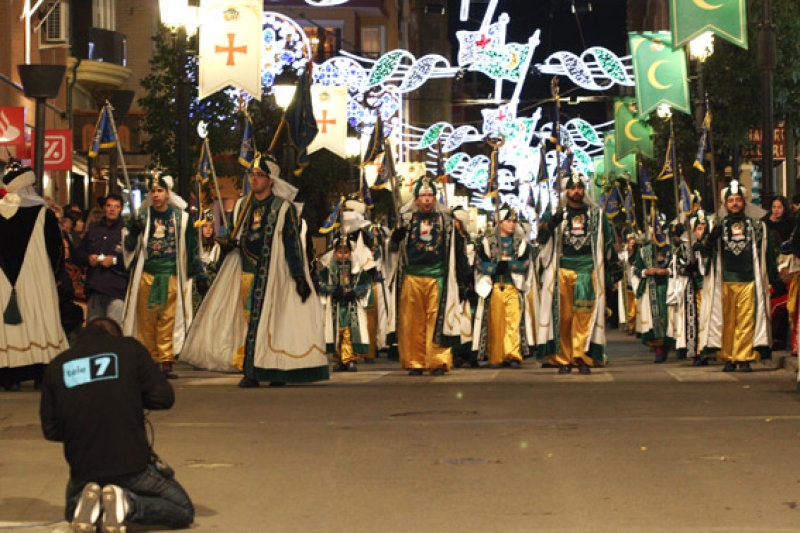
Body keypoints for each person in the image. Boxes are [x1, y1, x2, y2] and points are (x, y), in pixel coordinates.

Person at [181, 154, 328, 387]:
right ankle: (252, 370)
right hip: (247, 269)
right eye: (252, 175)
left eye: (260, 175)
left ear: (271, 180)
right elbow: (237, 236)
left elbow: (291, 243)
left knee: (271, 322)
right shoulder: (242, 204)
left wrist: (299, 275)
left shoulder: (283, 208)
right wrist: (229, 244)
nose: (254, 179)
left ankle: (273, 368)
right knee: (251, 322)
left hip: (274, 273)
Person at [39, 317, 194, 532]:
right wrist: (130, 395)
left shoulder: (57, 365)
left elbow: (51, 430)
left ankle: (93, 504)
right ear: (115, 335)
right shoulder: (129, 349)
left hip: (84, 470)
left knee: (72, 511)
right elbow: (163, 398)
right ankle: (128, 504)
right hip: (132, 467)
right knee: (183, 509)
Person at [121, 171, 207, 380]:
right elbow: (129, 247)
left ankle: (166, 361)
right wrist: (133, 232)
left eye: (160, 190)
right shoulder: (140, 217)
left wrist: (199, 274)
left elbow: (192, 247)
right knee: (146, 320)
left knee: (169, 319)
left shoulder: (182, 219)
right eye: (153, 191)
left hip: (171, 274)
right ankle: (148, 361)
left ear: (168, 193)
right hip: (148, 274)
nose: (156, 194)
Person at [535, 171, 620, 374]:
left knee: (584, 314)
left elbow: (607, 243)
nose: (576, 191)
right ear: (566, 191)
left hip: (587, 268)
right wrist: (551, 223)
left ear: (584, 190)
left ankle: (580, 356)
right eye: (572, 188)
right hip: (562, 269)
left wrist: (613, 267)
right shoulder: (556, 214)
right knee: (563, 317)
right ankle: (564, 358)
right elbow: (541, 240)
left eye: (579, 188)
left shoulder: (596, 216)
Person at [699, 180, 785, 371]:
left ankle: (744, 357)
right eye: (731, 200)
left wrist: (774, 279)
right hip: (724, 281)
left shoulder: (757, 227)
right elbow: (703, 252)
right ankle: (729, 357)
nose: (735, 203)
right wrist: (711, 239)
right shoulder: (716, 225)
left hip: (749, 281)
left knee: (746, 319)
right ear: (725, 204)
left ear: (744, 202)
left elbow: (768, 255)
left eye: (738, 199)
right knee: (727, 321)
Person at [390, 175, 471, 376]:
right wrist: (395, 237)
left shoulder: (447, 222)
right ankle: (415, 361)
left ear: (435, 198)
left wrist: (464, 277)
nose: (426, 199)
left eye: (430, 195)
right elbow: (392, 249)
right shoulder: (406, 221)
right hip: (412, 277)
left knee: (437, 320)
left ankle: (437, 361)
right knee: (413, 321)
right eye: (422, 195)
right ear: (416, 199)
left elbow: (458, 250)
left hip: (438, 276)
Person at [0, 162, 70, 391]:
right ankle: (41, 373)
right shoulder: (42, 213)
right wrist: (55, 272)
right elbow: (55, 249)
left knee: (6, 328)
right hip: (36, 277)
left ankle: (9, 377)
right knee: (39, 321)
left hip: (2, 279)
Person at [471, 204, 533, 368]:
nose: (512, 224)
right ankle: (496, 356)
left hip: (512, 287)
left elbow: (526, 263)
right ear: (500, 222)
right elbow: (479, 264)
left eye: (514, 221)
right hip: (495, 288)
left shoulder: (521, 243)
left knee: (513, 322)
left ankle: (512, 355)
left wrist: (510, 265)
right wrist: (493, 268)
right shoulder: (487, 242)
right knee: (495, 323)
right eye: (508, 220)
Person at [318, 236, 372, 371]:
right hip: (335, 305)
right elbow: (320, 283)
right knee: (337, 332)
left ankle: (349, 359)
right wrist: (333, 290)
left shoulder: (357, 269)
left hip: (351, 305)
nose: (343, 255)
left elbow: (366, 284)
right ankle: (339, 359)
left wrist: (355, 292)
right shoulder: (329, 269)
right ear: (335, 253)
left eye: (346, 252)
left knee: (350, 332)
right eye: (340, 252)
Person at [73, 193, 127, 325]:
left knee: (113, 331)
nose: (112, 209)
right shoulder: (94, 229)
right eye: (109, 205)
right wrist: (88, 258)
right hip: (95, 287)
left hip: (117, 289)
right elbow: (78, 253)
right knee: (94, 332)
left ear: (121, 209)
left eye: (116, 206)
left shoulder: (126, 230)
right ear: (104, 208)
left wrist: (114, 260)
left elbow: (133, 258)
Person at [633, 211, 673, 363]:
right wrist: (646, 271)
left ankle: (667, 347)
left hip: (668, 288)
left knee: (668, 319)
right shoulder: (644, 251)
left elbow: (677, 267)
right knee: (654, 320)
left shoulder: (671, 250)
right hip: (651, 289)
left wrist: (665, 271)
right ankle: (658, 350)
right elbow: (636, 269)